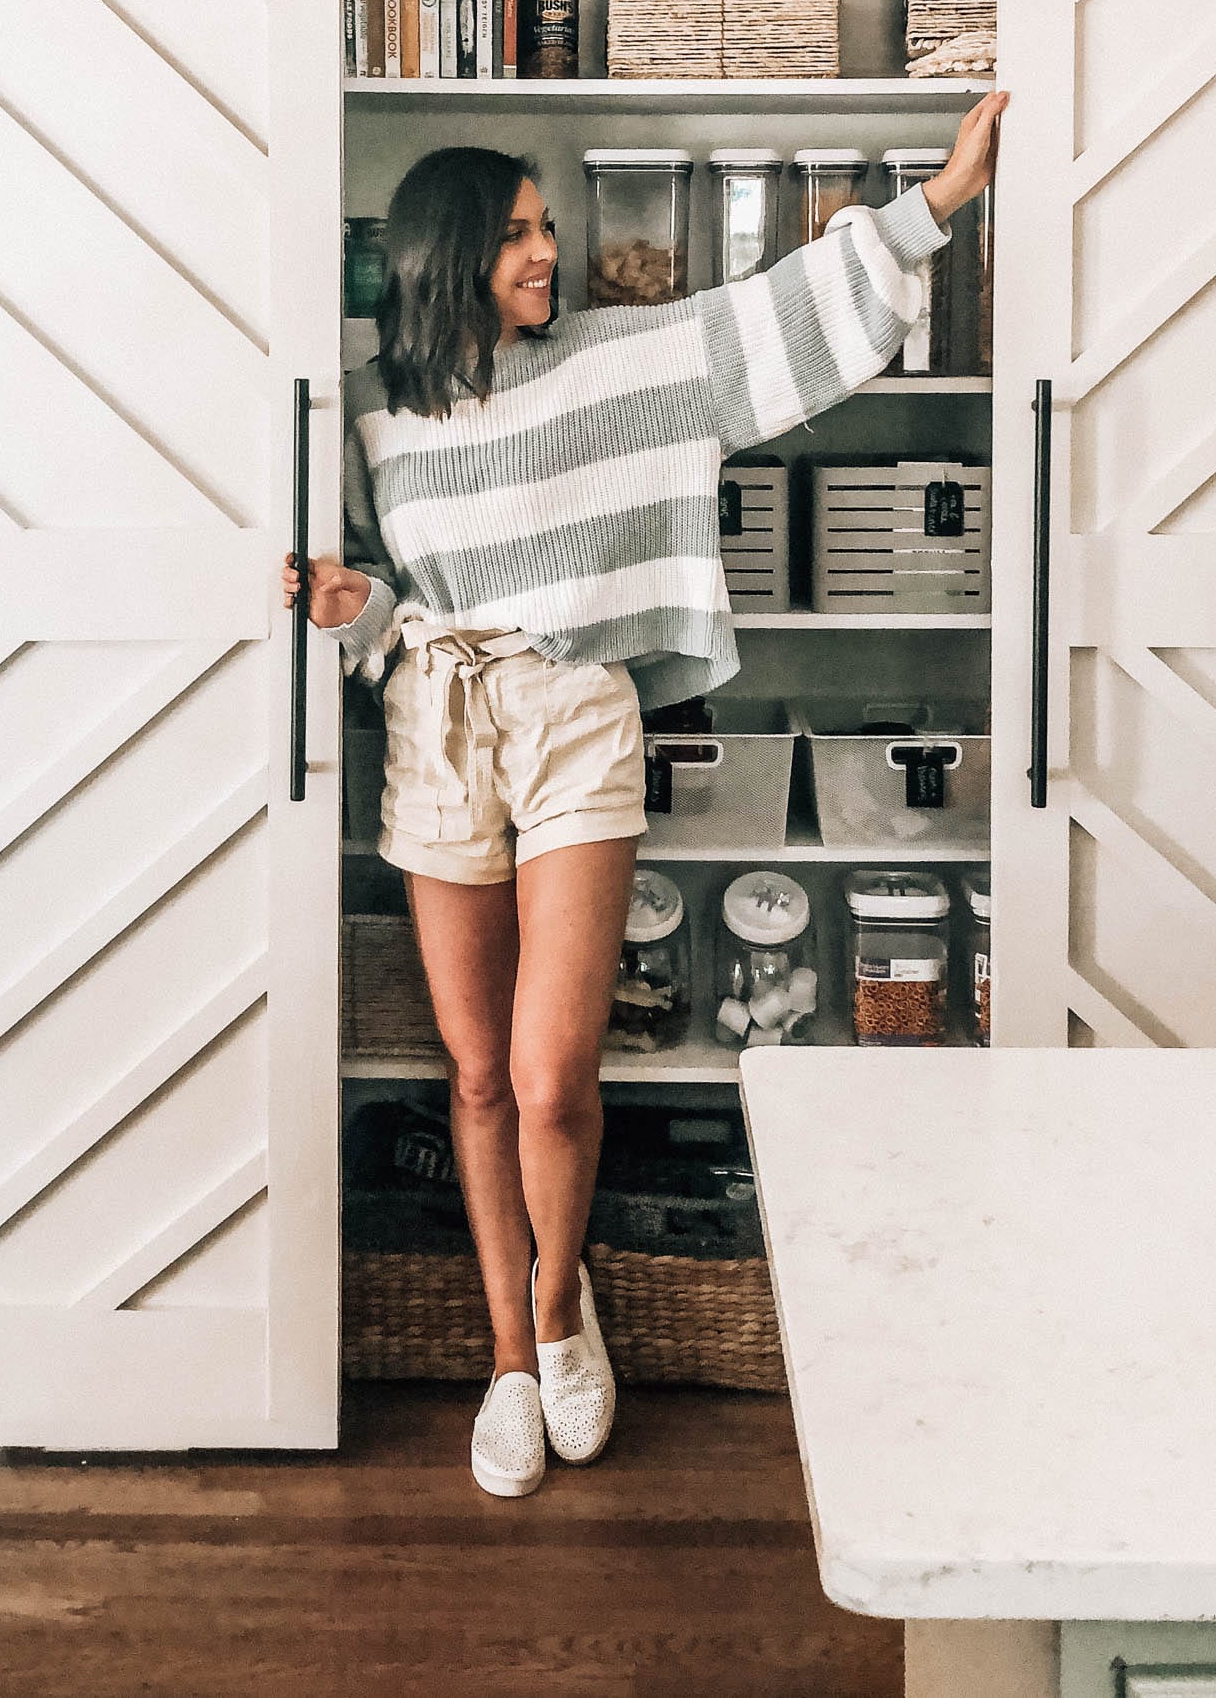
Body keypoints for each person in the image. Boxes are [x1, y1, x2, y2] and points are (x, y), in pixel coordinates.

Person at [284, 91, 1008, 1497]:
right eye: (515, 236)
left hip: (575, 718)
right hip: (438, 722)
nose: (546, 254)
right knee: (478, 1077)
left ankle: (564, 1315)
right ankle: (507, 1354)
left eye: (548, 227)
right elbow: (388, 615)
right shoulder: (370, 419)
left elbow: (774, 325)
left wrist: (939, 202)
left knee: (556, 1078)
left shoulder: (624, 361)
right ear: (442, 258)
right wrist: (349, 605)